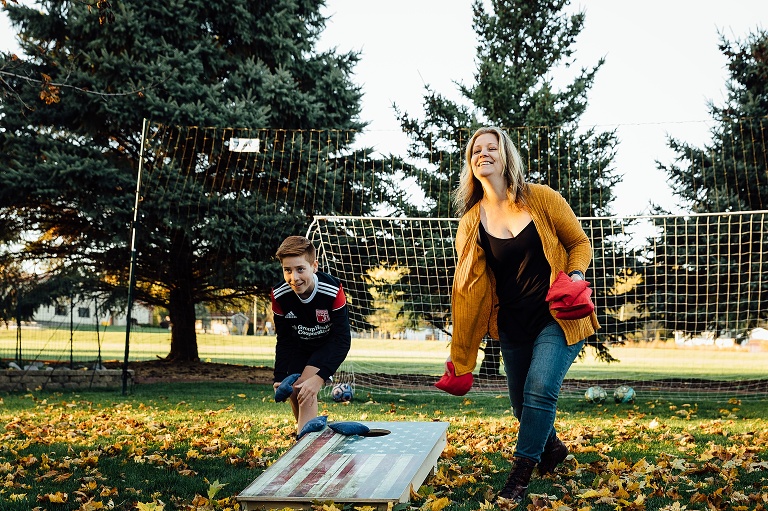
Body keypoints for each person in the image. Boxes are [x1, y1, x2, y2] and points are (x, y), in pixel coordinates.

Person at [445, 127, 600, 503]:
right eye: (475, 150)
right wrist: (461, 354)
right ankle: (552, 448)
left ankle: (520, 473)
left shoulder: (541, 198)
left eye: (491, 147)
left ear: (505, 155)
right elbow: (467, 288)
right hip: (512, 324)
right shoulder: (471, 223)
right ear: (471, 164)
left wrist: (575, 274)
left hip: (558, 315)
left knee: (540, 388)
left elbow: (579, 242)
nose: (483, 153)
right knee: (521, 403)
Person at [270, 235, 351, 436]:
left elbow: (343, 340)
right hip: (300, 346)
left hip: (327, 345)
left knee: (305, 389)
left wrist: (319, 378)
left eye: (300, 269)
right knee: (294, 390)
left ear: (314, 266)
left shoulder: (332, 290)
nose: (294, 278)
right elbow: (285, 340)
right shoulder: (279, 295)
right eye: (287, 270)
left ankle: (306, 448)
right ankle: (309, 440)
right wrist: (280, 377)